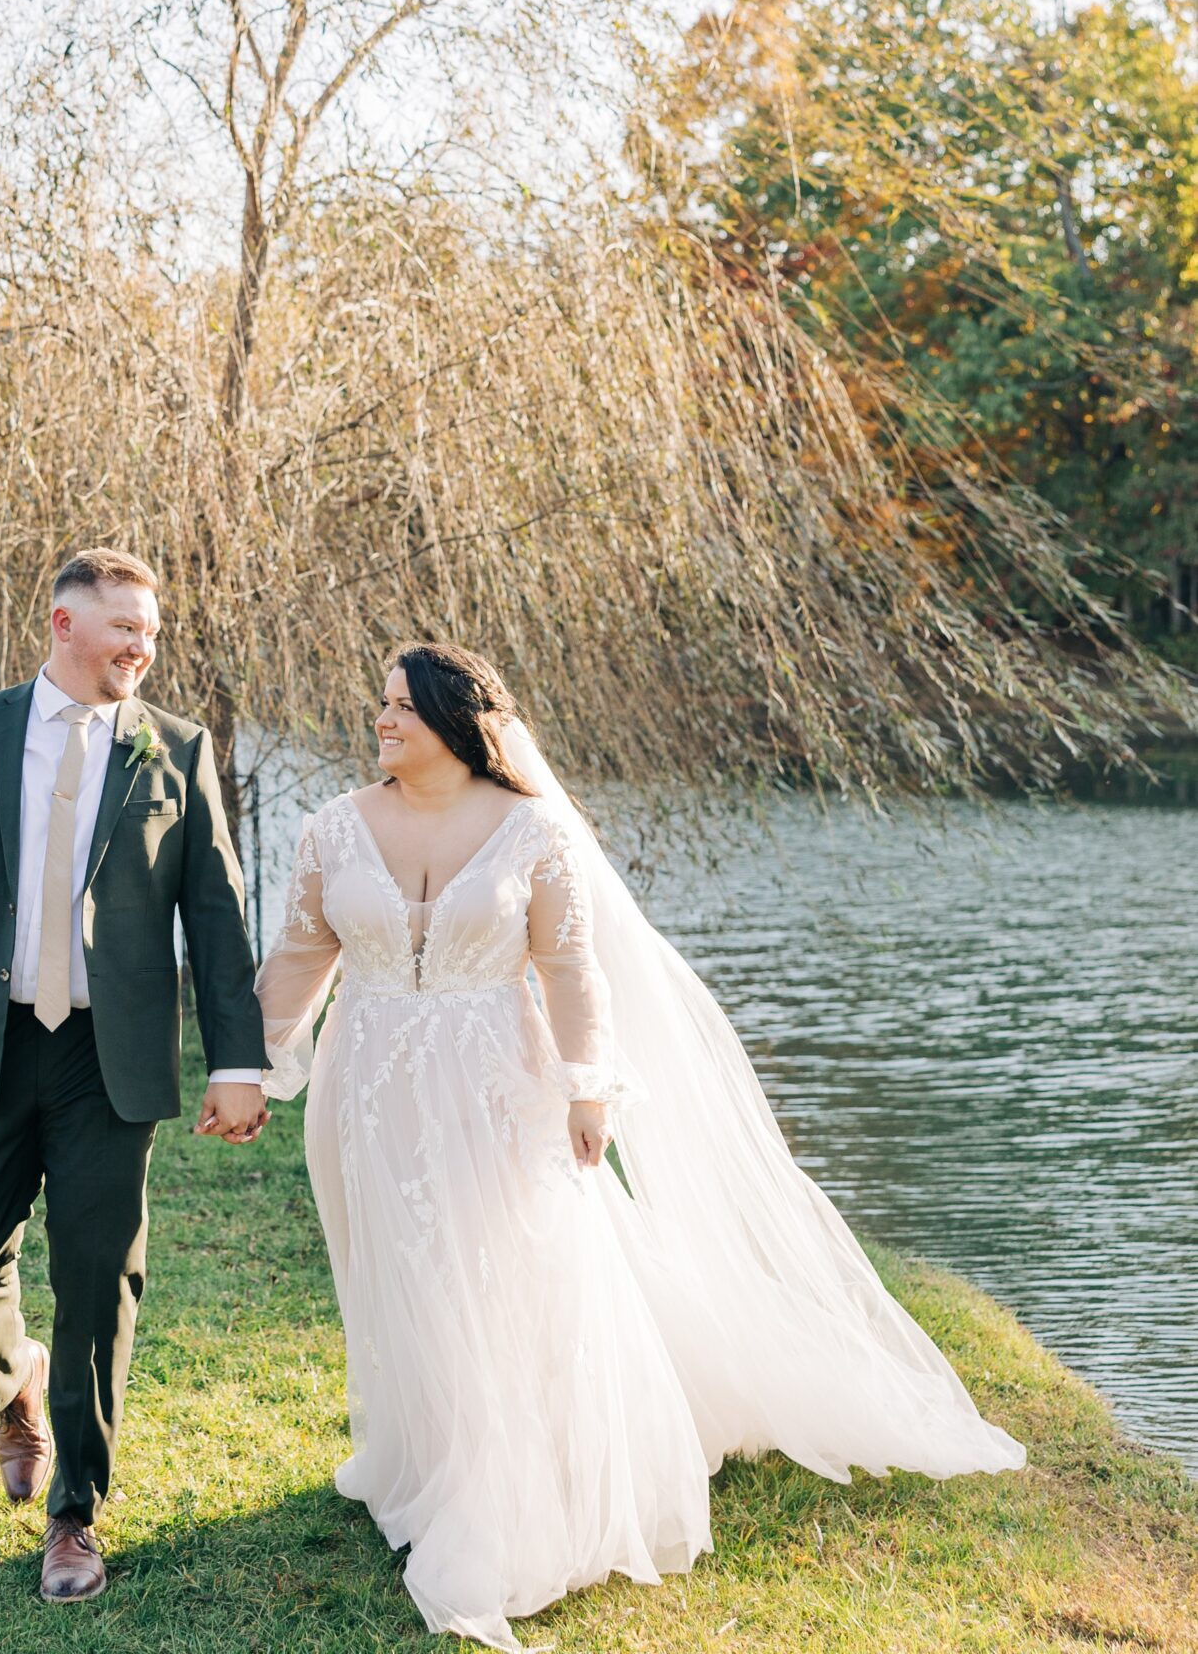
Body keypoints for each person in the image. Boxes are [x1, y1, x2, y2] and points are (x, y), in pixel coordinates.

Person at [254, 641, 1025, 1653]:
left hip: (499, 1082)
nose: (381, 720)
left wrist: (587, 1084)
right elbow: (304, 953)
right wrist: (253, 1068)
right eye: (381, 705)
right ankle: (422, 1450)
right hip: (366, 1087)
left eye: (401, 707)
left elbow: (571, 969)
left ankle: (506, 1483)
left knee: (504, 1273)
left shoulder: (531, 828)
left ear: (454, 722)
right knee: (399, 1266)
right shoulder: (333, 828)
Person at [0, 547, 268, 1606]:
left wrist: (239, 1060)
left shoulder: (178, 749)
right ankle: (15, 1375)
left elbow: (215, 916)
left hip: (106, 1056)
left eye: (152, 632)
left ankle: (75, 1510)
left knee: (96, 1276)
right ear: (63, 623)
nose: (141, 646)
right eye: (124, 626)